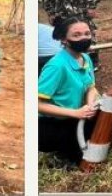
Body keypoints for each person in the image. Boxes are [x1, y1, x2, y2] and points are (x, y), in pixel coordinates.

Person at [37, 16, 100, 164]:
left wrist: (90, 105)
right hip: (53, 124)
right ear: (64, 39)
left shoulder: (85, 58)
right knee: (82, 159)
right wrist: (76, 113)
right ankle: (59, 155)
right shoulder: (57, 66)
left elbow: (91, 87)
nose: (84, 38)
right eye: (76, 35)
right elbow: (37, 104)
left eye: (87, 34)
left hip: (78, 117)